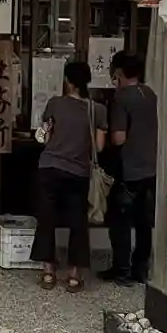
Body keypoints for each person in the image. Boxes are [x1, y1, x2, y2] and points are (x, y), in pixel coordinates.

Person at [31, 59, 107, 292]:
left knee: (47, 219)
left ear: (67, 81)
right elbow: (99, 147)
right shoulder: (97, 110)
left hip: (49, 168)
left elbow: (44, 135)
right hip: (78, 171)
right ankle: (74, 275)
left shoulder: (55, 104)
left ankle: (48, 272)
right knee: (78, 222)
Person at [100, 51, 157, 284]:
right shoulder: (150, 93)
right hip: (151, 166)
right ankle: (140, 269)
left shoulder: (121, 98)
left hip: (129, 167)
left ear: (118, 72)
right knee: (144, 223)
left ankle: (121, 269)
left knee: (120, 220)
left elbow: (119, 138)